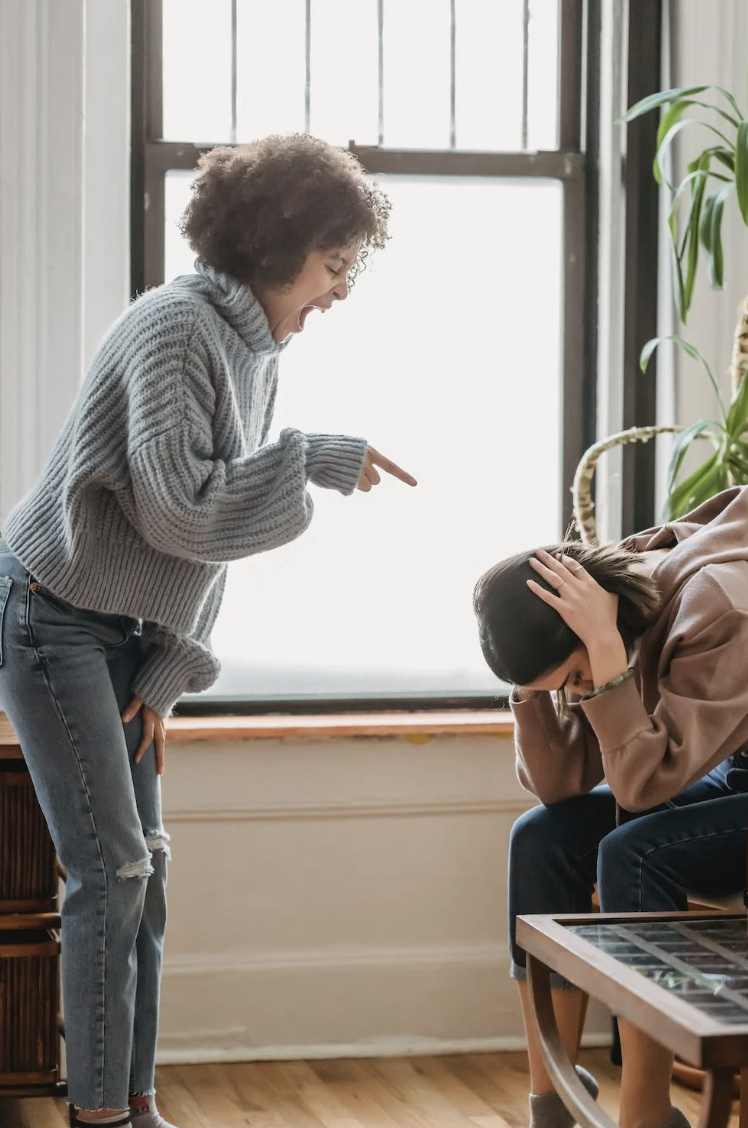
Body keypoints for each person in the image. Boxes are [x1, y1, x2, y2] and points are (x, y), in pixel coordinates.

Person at [0, 134, 416, 1128]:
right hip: (50, 610)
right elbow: (183, 512)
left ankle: (135, 1106)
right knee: (113, 870)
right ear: (277, 247)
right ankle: (102, 1118)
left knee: (147, 869)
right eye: (333, 263)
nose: (339, 292)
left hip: (121, 628)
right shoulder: (179, 328)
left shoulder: (250, 346)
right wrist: (309, 459)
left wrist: (172, 664)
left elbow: (209, 532)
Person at [473, 486, 748, 1128]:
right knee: (541, 835)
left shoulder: (718, 608)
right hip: (729, 778)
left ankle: (645, 1114)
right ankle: (552, 1100)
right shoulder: (607, 605)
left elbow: (640, 786)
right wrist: (535, 690)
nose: (578, 690)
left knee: (636, 849)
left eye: (570, 679)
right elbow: (561, 786)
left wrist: (603, 657)